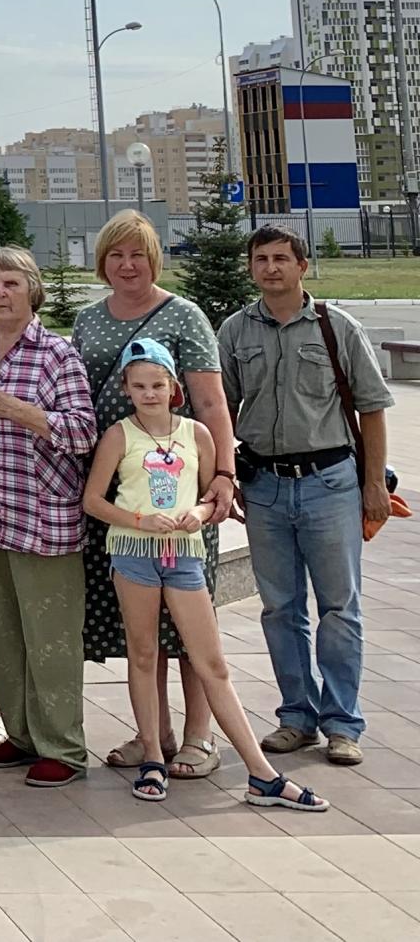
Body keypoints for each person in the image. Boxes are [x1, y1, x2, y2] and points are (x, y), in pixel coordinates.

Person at [83, 339, 326, 811]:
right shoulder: (119, 435)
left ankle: (261, 773)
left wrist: (197, 511)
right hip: (133, 553)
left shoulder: (196, 434)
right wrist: (138, 521)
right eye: (139, 386)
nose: (149, 393)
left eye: (157, 385)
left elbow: (211, 498)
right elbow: (94, 500)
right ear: (127, 389)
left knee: (210, 662)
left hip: (184, 555)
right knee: (144, 654)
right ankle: (153, 755)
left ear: (174, 387)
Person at [218, 224, 392, 769]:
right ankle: (297, 716)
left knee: (339, 608)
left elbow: (372, 407)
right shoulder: (235, 331)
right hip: (265, 486)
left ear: (303, 266)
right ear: (252, 267)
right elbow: (219, 409)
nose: (271, 268)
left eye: (281, 259)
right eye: (261, 259)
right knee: (280, 607)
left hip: (330, 482)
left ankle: (343, 723)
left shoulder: (338, 328)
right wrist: (227, 475)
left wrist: (373, 485)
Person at [74, 209, 235, 781]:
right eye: (116, 255)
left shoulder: (183, 316)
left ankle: (199, 734)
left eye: (137, 254)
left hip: (179, 499)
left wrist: (223, 476)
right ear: (102, 263)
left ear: (153, 259)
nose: (127, 265)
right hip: (119, 498)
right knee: (142, 626)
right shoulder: (90, 319)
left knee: (191, 621)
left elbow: (212, 406)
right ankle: (154, 734)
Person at [0, 249, 96, 786]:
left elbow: (82, 433)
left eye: (11, 283)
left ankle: (64, 747)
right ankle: (23, 736)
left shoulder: (56, 354)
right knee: (4, 635)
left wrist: (25, 414)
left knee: (50, 637)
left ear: (33, 291)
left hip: (43, 517)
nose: (0, 292)